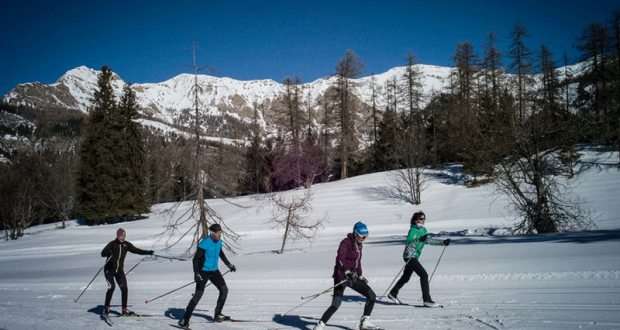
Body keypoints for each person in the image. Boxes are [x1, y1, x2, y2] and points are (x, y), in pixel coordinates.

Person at [313, 222, 380, 330]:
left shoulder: (359, 244)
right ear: (356, 234)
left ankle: (365, 322)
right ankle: (320, 326)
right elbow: (339, 259)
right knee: (336, 303)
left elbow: (358, 261)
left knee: (371, 296)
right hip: (341, 276)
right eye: (363, 236)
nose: (364, 239)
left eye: (366, 236)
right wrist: (346, 272)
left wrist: (360, 275)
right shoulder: (345, 243)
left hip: (352, 277)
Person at [387, 211, 450, 307]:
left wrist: (442, 243)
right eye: (421, 219)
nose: (423, 220)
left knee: (406, 277)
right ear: (416, 220)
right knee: (424, 275)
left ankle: (393, 293)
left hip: (415, 256)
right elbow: (408, 242)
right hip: (409, 256)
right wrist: (419, 240)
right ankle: (427, 300)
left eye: (424, 218)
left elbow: (430, 241)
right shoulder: (413, 230)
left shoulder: (424, 230)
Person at [179, 224, 236, 328]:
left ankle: (218, 314)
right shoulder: (205, 243)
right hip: (203, 272)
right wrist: (196, 273)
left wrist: (229, 265)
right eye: (217, 234)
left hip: (214, 271)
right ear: (212, 233)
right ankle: (185, 319)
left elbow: (221, 254)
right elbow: (195, 259)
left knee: (224, 290)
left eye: (220, 233)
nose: (219, 236)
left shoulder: (219, 242)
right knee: (198, 295)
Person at [101, 228, 154, 316]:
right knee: (112, 288)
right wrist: (109, 252)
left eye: (124, 236)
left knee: (124, 288)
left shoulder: (126, 245)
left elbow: (136, 250)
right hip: (109, 270)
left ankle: (124, 310)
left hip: (119, 271)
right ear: (117, 236)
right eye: (121, 236)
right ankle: (106, 309)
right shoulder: (112, 244)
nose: (123, 237)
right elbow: (103, 253)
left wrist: (147, 252)